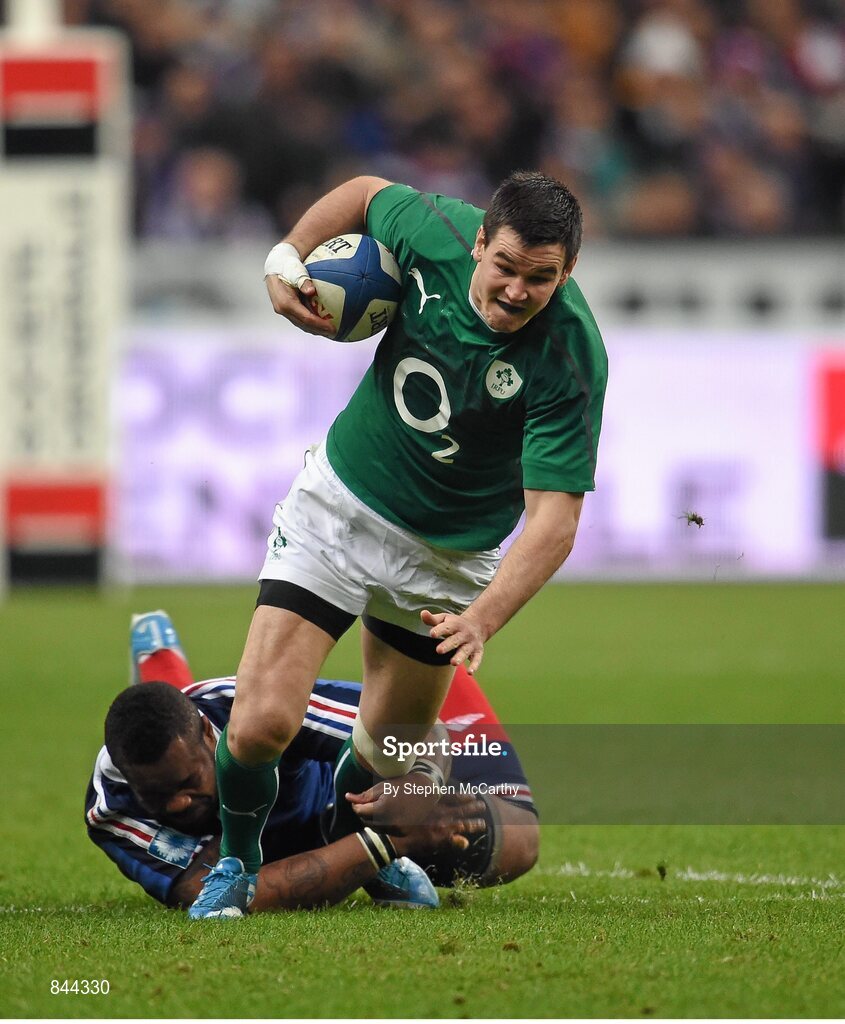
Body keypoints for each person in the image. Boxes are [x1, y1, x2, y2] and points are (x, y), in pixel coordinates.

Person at [192, 171, 606, 917]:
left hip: (447, 559)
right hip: (341, 511)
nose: (515, 290)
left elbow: (555, 519)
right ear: (477, 241)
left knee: (389, 758)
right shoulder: (434, 229)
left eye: (540, 279)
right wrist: (285, 256)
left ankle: (361, 860)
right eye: (504, 267)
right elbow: (361, 191)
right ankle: (236, 860)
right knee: (260, 724)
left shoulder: (570, 355)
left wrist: (482, 617)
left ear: (567, 271)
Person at [86, 611, 539, 913]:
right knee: (174, 745)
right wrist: (388, 846)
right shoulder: (114, 807)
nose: (179, 804)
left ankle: (159, 656)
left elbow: (415, 728)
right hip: (266, 840)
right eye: (158, 795)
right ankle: (159, 663)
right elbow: (223, 895)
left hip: (341, 796)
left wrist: (420, 790)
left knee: (518, 843)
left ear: (211, 733)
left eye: (188, 781)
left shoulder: (252, 709)